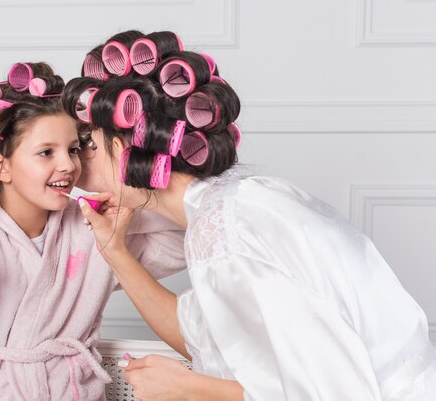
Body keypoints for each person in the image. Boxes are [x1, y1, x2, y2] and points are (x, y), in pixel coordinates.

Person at [62, 30, 436, 400]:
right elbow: (204, 336)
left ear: (125, 145)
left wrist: (188, 388)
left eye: (88, 145)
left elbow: (333, 392)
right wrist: (116, 252)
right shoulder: (234, 201)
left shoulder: (229, 232)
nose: (74, 164)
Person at [0, 61, 186, 401]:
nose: (67, 165)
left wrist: (120, 185)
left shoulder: (93, 227)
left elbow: (184, 241)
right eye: (46, 152)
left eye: (74, 149)